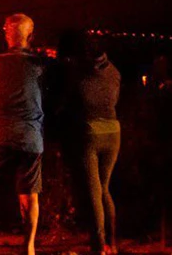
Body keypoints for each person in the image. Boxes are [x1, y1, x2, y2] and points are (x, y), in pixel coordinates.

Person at [0, 13, 46, 255]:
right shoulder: (40, 64)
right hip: (30, 137)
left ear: (6, 35)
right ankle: (29, 246)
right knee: (29, 194)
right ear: (30, 36)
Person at [58, 30, 121, 255]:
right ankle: (111, 244)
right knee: (105, 189)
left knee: (93, 193)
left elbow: (67, 102)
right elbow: (115, 100)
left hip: (89, 132)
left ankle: (98, 246)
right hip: (113, 131)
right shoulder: (114, 71)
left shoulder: (77, 73)